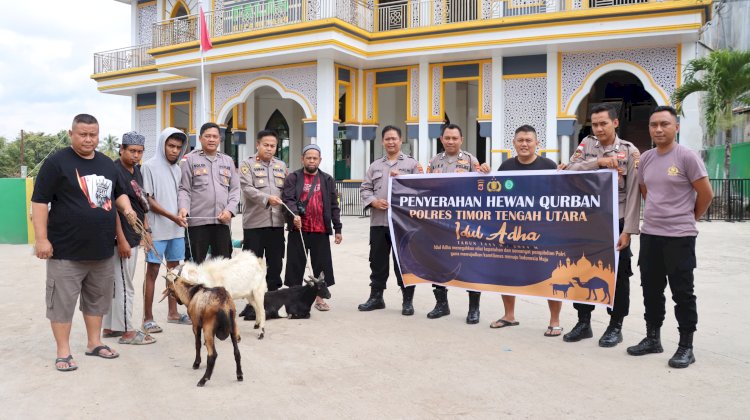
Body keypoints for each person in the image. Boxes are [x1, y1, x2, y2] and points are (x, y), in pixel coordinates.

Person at [31, 114, 138, 371]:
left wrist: (127, 209)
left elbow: (117, 194)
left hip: (101, 249)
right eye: (83, 134)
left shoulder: (106, 164)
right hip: (65, 250)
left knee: (97, 300)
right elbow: (39, 202)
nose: (88, 139)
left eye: (93, 134)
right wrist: (42, 239)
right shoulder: (57, 163)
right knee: (62, 303)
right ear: (71, 134)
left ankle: (94, 343)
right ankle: (63, 351)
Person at [626, 106, 713, 368]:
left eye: (664, 124)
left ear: (676, 127)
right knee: (651, 290)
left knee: (682, 292)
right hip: (651, 235)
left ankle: (686, 345)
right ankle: (653, 338)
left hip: (679, 237)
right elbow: (645, 191)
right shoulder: (648, 159)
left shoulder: (687, 156)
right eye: (654, 125)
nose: (659, 129)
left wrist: (688, 218)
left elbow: (706, 194)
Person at [559, 103, 641, 347]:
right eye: (594, 124)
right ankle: (583, 322)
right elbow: (570, 170)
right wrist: (598, 163)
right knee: (582, 271)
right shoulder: (586, 145)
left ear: (615, 123)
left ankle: (615, 325)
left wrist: (629, 230)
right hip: (586, 220)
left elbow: (635, 192)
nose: (599, 128)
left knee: (618, 275)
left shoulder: (629, 151)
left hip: (616, 221)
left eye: (603, 123)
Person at [491, 125, 562, 336]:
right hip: (512, 231)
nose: (524, 144)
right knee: (506, 273)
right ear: (513, 143)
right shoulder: (506, 167)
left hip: (543, 231)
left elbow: (559, 198)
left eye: (528, 140)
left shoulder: (548, 166)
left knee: (551, 274)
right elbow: (497, 197)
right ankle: (509, 315)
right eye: (520, 140)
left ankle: (555, 320)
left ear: (537, 143)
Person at [426, 123, 491, 323]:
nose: (451, 141)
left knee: (470, 262)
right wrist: (429, 178)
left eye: (455, 138)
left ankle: (473, 309)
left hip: (466, 222)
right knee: (438, 262)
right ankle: (441, 305)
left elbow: (482, 189)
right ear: (441, 140)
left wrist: (485, 173)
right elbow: (423, 189)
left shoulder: (471, 160)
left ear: (461, 140)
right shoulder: (434, 161)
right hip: (440, 222)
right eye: (447, 138)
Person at [358, 126, 423, 315]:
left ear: (400, 140)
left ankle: (407, 300)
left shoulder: (412, 165)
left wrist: (404, 177)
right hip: (379, 222)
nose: (391, 142)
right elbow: (365, 188)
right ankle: (376, 297)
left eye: (394, 138)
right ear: (382, 141)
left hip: (403, 224)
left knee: (404, 263)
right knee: (377, 262)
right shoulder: (375, 166)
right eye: (387, 139)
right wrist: (373, 202)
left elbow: (421, 187)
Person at [102, 132, 156, 345]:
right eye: (132, 151)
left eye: (139, 152)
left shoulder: (137, 172)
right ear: (121, 150)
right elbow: (114, 207)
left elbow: (140, 205)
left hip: (134, 235)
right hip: (121, 237)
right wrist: (122, 239)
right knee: (125, 285)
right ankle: (127, 331)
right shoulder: (114, 171)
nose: (136, 155)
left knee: (118, 283)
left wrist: (146, 231)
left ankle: (110, 327)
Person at [141, 127, 190, 334]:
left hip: (176, 230)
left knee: (174, 273)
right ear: (162, 145)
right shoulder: (149, 167)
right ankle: (148, 318)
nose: (174, 151)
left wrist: (181, 211)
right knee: (152, 272)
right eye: (171, 146)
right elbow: (149, 201)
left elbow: (180, 195)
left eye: (178, 147)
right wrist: (172, 217)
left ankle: (173, 313)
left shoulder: (178, 169)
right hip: (157, 229)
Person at [282, 144, 342, 311]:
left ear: (320, 160)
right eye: (308, 157)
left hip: (320, 230)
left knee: (321, 266)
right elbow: (288, 199)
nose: (311, 160)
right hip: (299, 229)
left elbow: (333, 205)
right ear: (302, 159)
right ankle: (294, 299)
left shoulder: (327, 179)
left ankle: (319, 299)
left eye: (315, 158)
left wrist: (338, 229)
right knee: (295, 265)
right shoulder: (293, 178)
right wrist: (294, 215)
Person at [238, 129, 288, 320]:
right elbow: (247, 188)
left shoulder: (281, 166)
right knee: (252, 267)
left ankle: (272, 302)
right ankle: (251, 305)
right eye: (265, 145)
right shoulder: (247, 164)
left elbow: (287, 192)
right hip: (255, 224)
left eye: (273, 145)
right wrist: (267, 199)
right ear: (257, 145)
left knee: (275, 265)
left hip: (276, 224)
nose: (269, 148)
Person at [178, 122, 240, 264]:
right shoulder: (190, 159)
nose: (211, 139)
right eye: (207, 136)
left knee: (223, 266)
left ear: (220, 139)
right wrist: (183, 208)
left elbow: (235, 190)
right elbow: (184, 189)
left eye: (215, 136)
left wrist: (229, 211)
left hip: (222, 222)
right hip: (198, 223)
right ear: (200, 138)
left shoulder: (228, 160)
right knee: (196, 266)